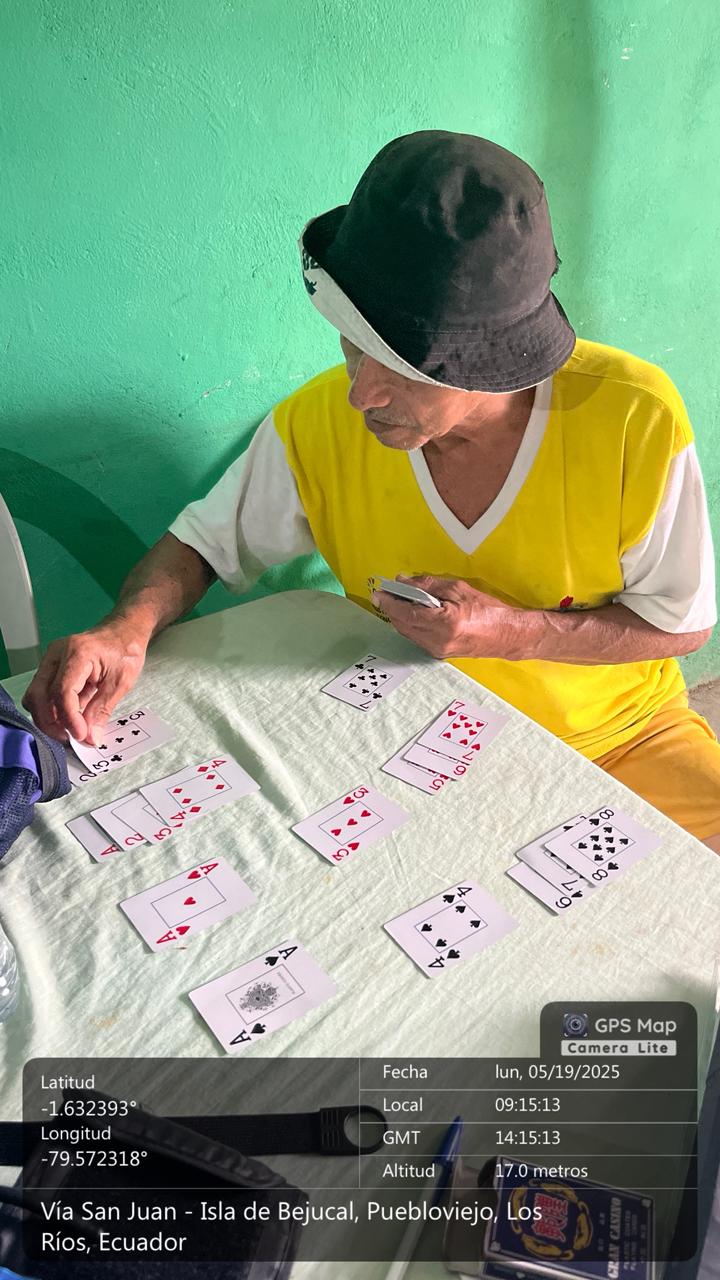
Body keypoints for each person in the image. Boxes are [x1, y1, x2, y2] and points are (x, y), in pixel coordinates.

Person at [23, 131, 720, 848]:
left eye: (403, 368)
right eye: (354, 345)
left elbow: (681, 625)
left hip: (619, 736)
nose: (362, 395)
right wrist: (125, 629)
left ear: (492, 367)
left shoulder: (632, 417)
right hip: (406, 736)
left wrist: (510, 632)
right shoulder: (317, 422)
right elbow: (201, 546)